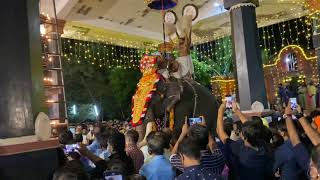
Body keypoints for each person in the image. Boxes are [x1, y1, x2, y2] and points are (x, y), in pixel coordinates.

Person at [216, 101, 273, 180]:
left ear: (243, 137)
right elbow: (249, 127)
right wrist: (237, 110)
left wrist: (220, 111)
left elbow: (220, 132)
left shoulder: (239, 150)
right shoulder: (263, 146)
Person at [284, 103, 320, 179]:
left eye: (311, 163)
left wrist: (288, 115)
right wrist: (299, 115)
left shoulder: (310, 168)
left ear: (314, 173)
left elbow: (295, 140)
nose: (310, 163)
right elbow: (317, 142)